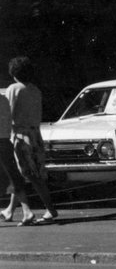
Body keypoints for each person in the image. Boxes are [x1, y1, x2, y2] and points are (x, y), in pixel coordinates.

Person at [3, 56, 58, 226]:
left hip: (20, 135)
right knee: (22, 172)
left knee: (30, 174)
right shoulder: (35, 90)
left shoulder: (14, 88)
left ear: (13, 73)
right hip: (35, 134)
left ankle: (50, 208)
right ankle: (10, 210)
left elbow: (8, 113)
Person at [0, 89, 31, 225]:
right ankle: (25, 211)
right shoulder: (4, 99)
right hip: (5, 141)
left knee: (12, 177)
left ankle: (27, 211)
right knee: (13, 176)